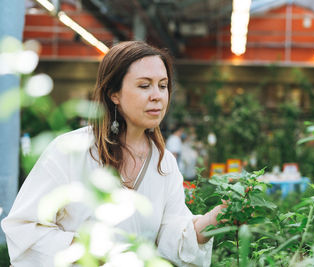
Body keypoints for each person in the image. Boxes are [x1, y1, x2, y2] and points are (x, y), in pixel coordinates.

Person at [1, 41, 225, 267]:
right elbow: (24, 227)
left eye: (163, 85)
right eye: (144, 86)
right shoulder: (72, 150)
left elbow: (171, 236)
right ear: (114, 94)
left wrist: (214, 219)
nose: (157, 95)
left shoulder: (164, 163)